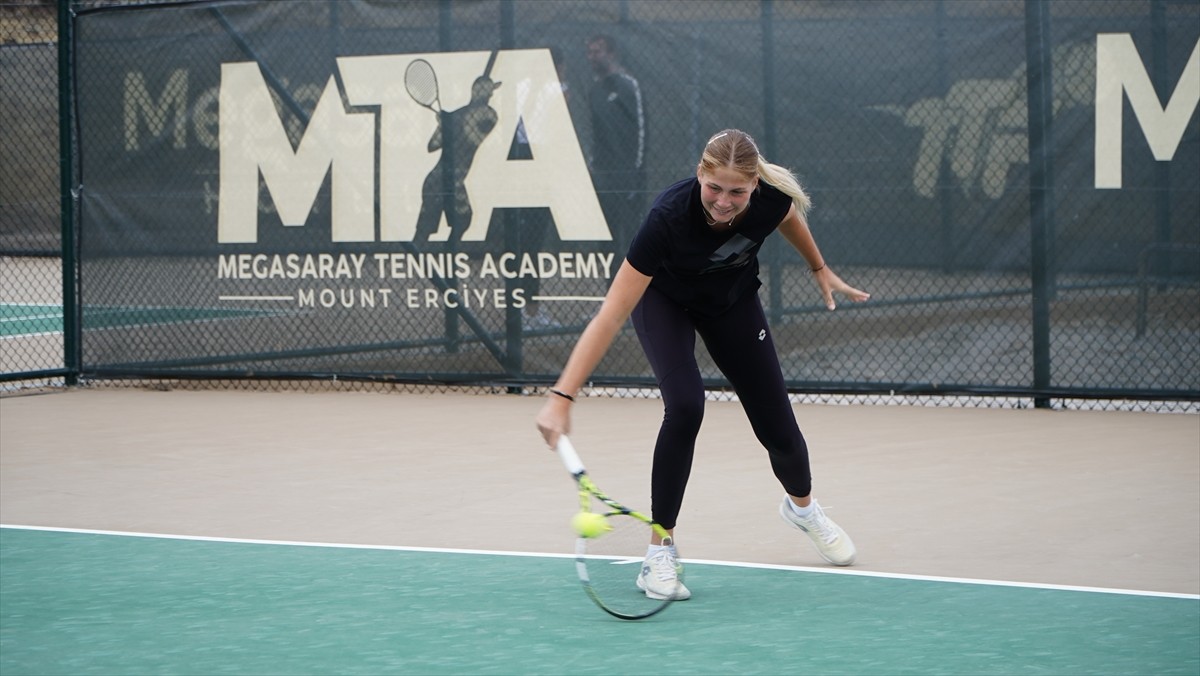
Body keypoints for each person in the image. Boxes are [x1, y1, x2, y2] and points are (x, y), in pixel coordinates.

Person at [536, 129, 871, 601]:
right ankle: (659, 553)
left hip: (731, 303)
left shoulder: (769, 200)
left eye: (737, 192)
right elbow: (611, 314)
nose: (723, 202)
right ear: (699, 174)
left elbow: (789, 217)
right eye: (714, 187)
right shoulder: (667, 218)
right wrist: (561, 396)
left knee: (779, 427)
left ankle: (803, 510)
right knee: (685, 406)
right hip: (664, 303)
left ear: (754, 186)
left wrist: (818, 267)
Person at [415, 74, 502, 243]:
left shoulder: (487, 115)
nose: (491, 94)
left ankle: (449, 254)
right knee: (427, 229)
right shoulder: (453, 118)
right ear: (476, 91)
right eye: (488, 90)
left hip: (452, 181)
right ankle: (420, 256)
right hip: (439, 180)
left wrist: (450, 121)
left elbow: (473, 132)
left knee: (462, 220)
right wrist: (443, 126)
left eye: (491, 91)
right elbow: (432, 145)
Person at [585, 34, 645, 258]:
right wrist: (593, 164)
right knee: (606, 236)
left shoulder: (629, 86)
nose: (592, 57)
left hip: (627, 173)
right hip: (603, 174)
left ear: (611, 54)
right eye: (589, 52)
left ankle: (633, 280)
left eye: (597, 52)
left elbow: (641, 131)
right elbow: (595, 133)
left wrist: (635, 170)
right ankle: (610, 278)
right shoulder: (594, 91)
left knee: (630, 233)